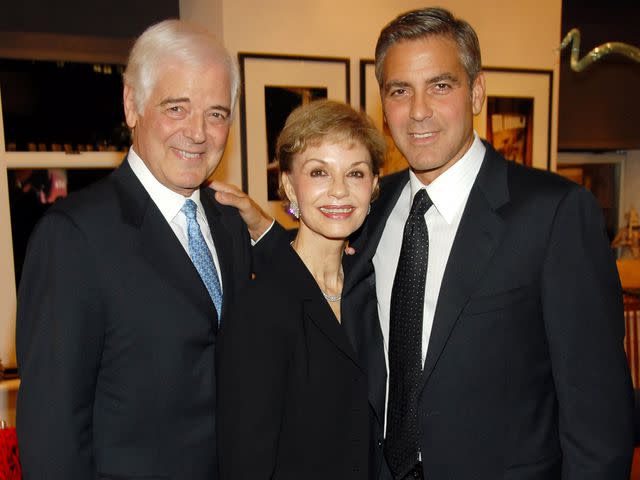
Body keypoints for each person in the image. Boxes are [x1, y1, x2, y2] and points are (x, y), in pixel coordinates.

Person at [337, 7, 635, 480]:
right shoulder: (367, 210)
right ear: (383, 103)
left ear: (476, 92)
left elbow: (599, 417)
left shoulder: (554, 214)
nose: (418, 111)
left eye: (440, 85)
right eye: (400, 91)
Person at [16, 20, 276, 479]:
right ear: (131, 105)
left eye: (216, 113)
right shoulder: (73, 237)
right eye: (177, 108)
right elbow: (52, 437)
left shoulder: (230, 224)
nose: (198, 133)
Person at [217, 100, 385, 480]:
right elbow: (245, 461)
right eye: (319, 172)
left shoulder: (377, 289)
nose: (339, 191)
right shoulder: (259, 307)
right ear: (289, 185)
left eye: (355, 173)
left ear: (374, 186)